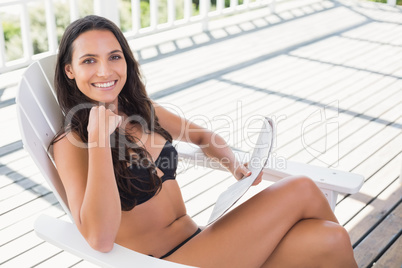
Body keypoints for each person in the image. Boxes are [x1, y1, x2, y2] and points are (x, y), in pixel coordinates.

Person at [51, 15, 357, 267]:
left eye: (114, 56)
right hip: (166, 262)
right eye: (89, 61)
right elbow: (99, 239)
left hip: (202, 240)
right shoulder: (71, 143)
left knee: (332, 238)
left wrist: (234, 167)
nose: (105, 70)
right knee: (300, 188)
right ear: (70, 71)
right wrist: (99, 142)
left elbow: (203, 136)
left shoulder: (144, 111)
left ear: (126, 62)